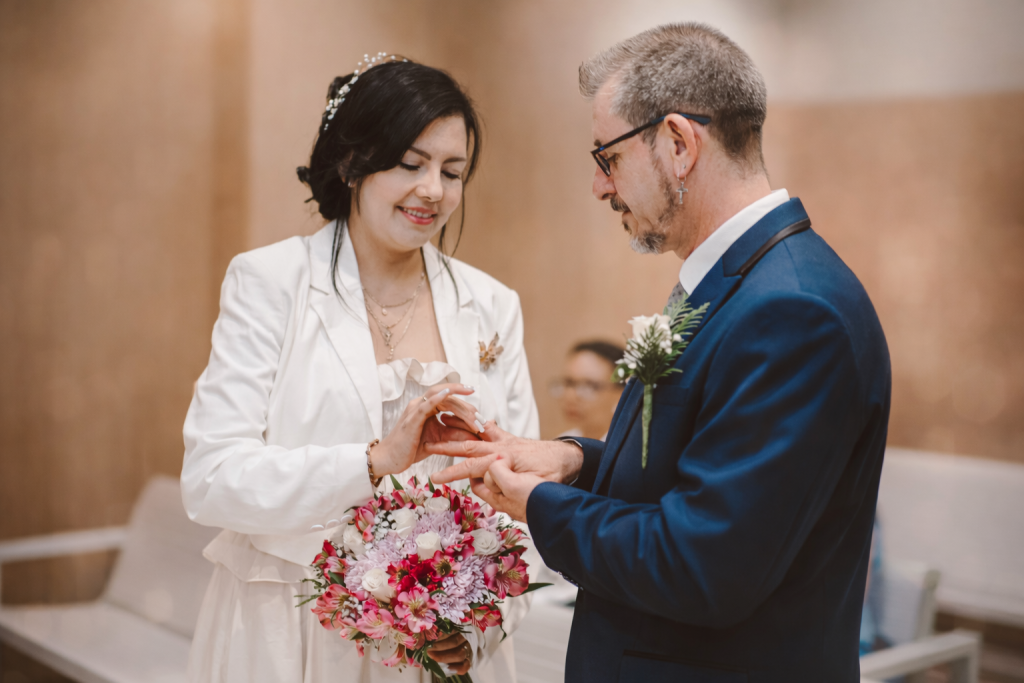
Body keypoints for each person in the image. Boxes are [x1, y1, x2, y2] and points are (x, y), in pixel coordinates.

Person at [429, 23, 891, 682]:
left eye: (607, 157)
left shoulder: (793, 311)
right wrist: (573, 461)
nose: (599, 186)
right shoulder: (739, 280)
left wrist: (537, 504)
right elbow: (688, 469)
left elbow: (702, 564)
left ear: (678, 143)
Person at [181, 55, 539, 683]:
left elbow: (519, 493)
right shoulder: (271, 282)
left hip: (443, 651)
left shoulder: (491, 304)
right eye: (410, 164)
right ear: (351, 162)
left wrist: (484, 622)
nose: (434, 189)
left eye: (452, 172)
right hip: (290, 633)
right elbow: (211, 478)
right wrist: (372, 461)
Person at [549, 340, 624, 441]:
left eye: (589, 386)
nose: (571, 396)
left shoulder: (633, 451)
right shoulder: (561, 443)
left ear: (622, 393)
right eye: (569, 383)